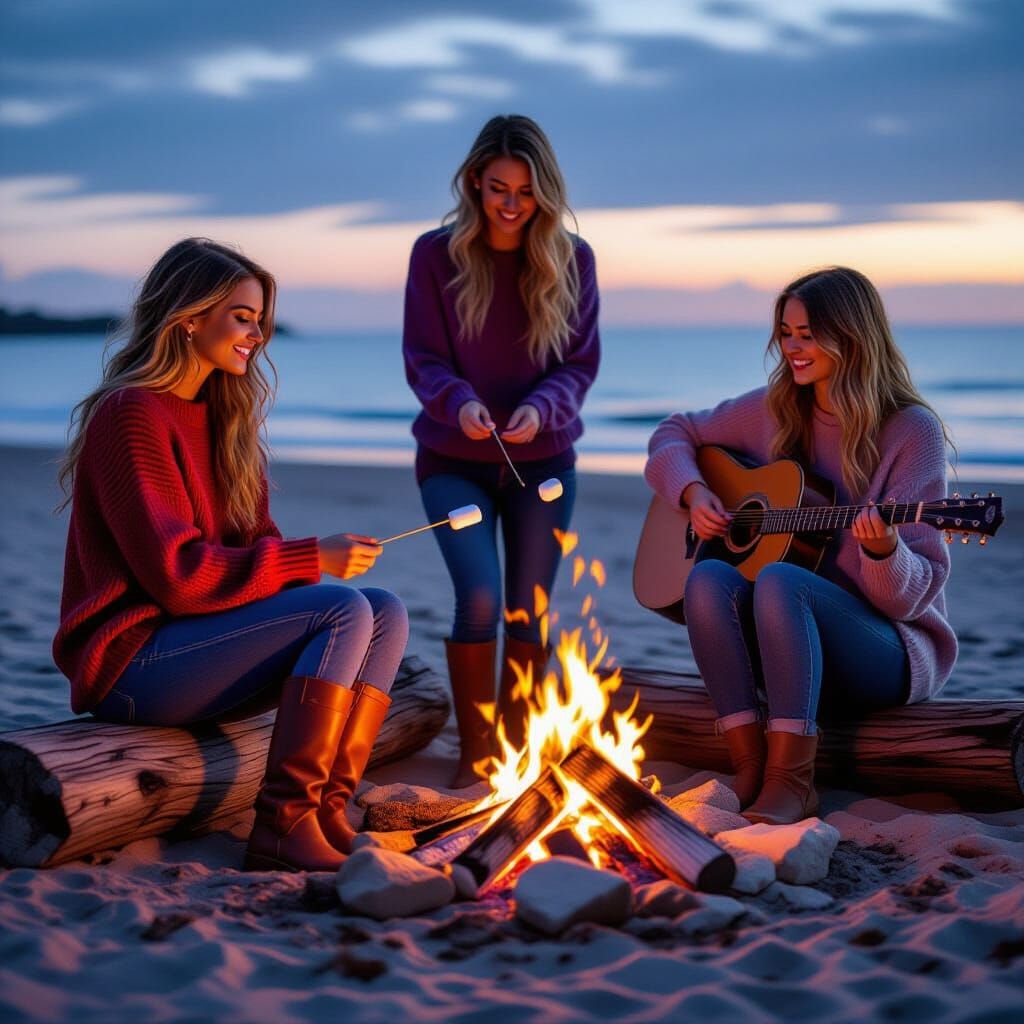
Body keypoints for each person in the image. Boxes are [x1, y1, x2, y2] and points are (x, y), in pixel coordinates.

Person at [54, 237, 409, 871]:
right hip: (135, 666)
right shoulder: (130, 414)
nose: (257, 335)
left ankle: (326, 809)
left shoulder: (222, 419)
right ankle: (282, 824)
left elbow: (259, 549)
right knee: (341, 610)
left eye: (261, 321)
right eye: (243, 318)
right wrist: (311, 561)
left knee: (381, 608)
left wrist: (311, 561)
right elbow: (180, 580)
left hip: (197, 650)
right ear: (190, 318)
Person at [644, 267, 957, 825]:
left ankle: (794, 782)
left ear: (851, 335)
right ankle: (750, 766)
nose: (793, 347)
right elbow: (675, 431)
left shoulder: (911, 431)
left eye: (808, 333)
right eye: (786, 332)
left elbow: (908, 602)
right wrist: (692, 493)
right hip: (787, 646)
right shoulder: (778, 408)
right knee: (709, 578)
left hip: (886, 652)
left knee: (782, 579)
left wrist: (885, 552)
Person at [402, 114, 600, 787]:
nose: (511, 204)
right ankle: (475, 755)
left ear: (544, 189)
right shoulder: (435, 255)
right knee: (480, 596)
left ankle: (517, 754)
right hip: (451, 462)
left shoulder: (575, 260)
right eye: (497, 189)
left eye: (525, 190)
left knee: (527, 606)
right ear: (473, 184)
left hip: (542, 465)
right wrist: (458, 400)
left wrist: (541, 409)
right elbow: (423, 356)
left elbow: (580, 364)